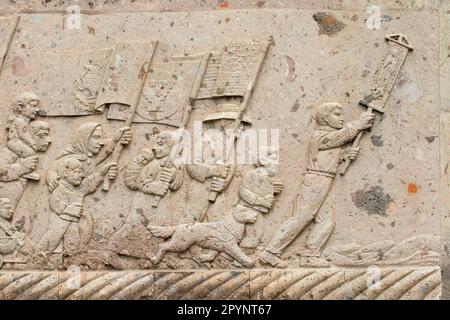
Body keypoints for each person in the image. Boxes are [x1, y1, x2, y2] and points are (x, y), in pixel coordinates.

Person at [259, 102, 375, 268]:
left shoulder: (331, 137)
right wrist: (358, 124)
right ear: (325, 118)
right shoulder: (319, 135)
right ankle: (270, 252)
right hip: (316, 181)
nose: (342, 118)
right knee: (302, 218)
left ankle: (310, 255)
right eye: (337, 114)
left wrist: (345, 154)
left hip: (325, 180)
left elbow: (332, 150)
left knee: (326, 221)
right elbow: (336, 139)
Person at [37, 157, 116, 259]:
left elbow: (90, 182)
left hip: (73, 225)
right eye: (78, 172)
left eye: (81, 172)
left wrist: (102, 173)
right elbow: (54, 203)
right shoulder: (58, 188)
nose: (82, 175)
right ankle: (40, 257)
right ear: (66, 173)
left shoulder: (79, 189)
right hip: (60, 224)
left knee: (73, 244)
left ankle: (69, 261)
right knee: (52, 241)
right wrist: (69, 210)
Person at [46, 122, 132, 192]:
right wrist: (51, 178)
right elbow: (53, 170)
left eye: (100, 138)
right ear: (84, 139)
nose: (100, 142)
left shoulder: (88, 156)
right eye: (96, 137)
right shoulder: (70, 158)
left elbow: (103, 153)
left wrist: (116, 140)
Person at [6, 92, 41, 159]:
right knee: (32, 154)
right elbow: (23, 135)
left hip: (17, 142)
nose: (37, 109)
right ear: (20, 107)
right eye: (33, 106)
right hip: (14, 143)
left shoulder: (24, 121)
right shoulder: (20, 121)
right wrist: (33, 144)